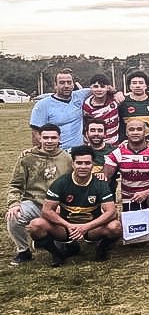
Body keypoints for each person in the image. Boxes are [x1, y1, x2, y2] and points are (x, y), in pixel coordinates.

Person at [28, 145, 120, 265]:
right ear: (73, 164)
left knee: (115, 226)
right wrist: (68, 225)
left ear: (92, 165)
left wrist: (86, 227)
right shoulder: (61, 183)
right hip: (66, 228)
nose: (83, 166)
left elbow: (111, 212)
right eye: (79, 163)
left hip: (91, 229)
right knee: (35, 225)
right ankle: (57, 255)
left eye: (87, 163)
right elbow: (46, 211)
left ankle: (101, 249)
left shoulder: (100, 184)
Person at [104, 118, 149, 257]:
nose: (135, 132)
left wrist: (146, 193)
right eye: (131, 129)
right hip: (129, 200)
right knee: (137, 243)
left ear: (145, 132)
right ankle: (147, 221)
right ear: (126, 132)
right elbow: (106, 177)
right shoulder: (118, 152)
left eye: (139, 129)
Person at [6, 124, 73, 265]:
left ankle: (49, 244)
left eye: (53, 137)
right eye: (46, 137)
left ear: (59, 139)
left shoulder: (67, 158)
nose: (49, 141)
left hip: (57, 206)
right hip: (34, 202)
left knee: (63, 244)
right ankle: (23, 251)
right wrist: (14, 204)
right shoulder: (27, 158)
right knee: (14, 217)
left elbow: (71, 186)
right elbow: (15, 185)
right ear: (39, 138)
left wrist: (64, 205)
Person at [30, 68, 93, 147]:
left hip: (78, 153)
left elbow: (101, 89)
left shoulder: (80, 95)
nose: (66, 86)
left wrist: (112, 91)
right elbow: (35, 133)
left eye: (69, 82)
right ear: (55, 85)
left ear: (73, 85)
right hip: (57, 153)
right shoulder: (42, 105)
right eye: (62, 83)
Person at [118, 70, 149, 142]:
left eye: (141, 83)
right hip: (127, 142)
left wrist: (148, 128)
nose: (138, 85)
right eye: (134, 83)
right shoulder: (122, 102)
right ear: (129, 86)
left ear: (146, 85)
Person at [82, 73, 122, 146]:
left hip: (113, 145)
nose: (99, 89)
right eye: (95, 87)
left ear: (108, 88)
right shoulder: (87, 105)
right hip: (94, 145)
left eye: (102, 86)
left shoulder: (115, 99)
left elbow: (132, 96)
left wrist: (148, 93)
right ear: (90, 88)